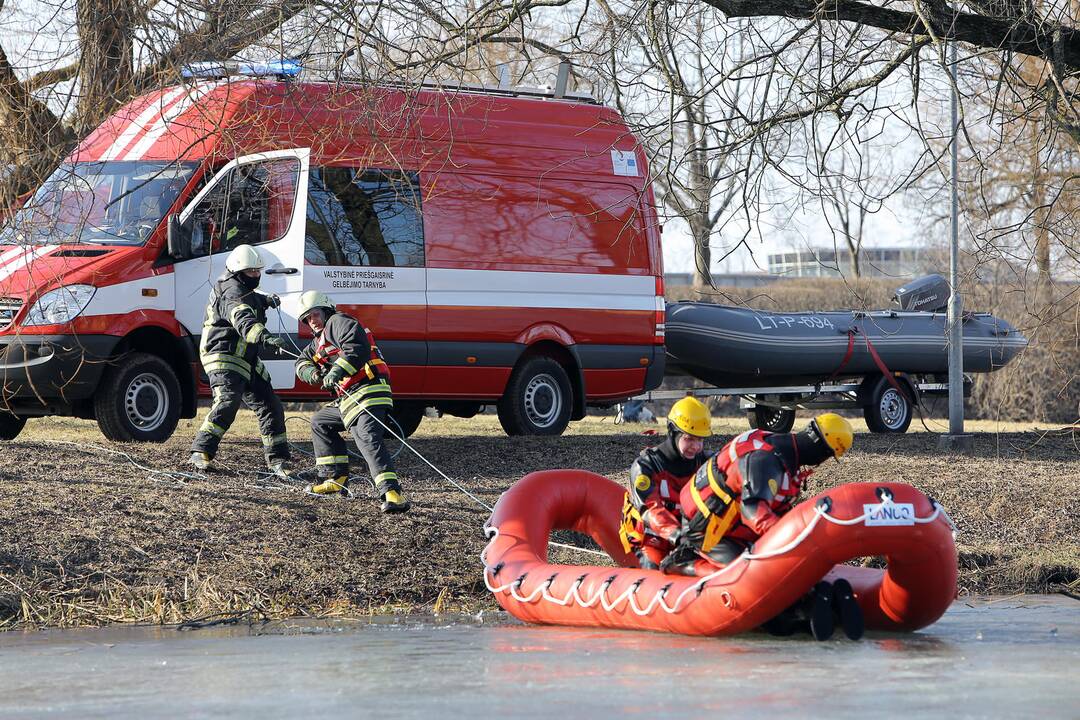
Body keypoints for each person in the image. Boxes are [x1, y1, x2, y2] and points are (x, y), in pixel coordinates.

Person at [662, 412, 862, 640]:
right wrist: (790, 542)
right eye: (827, 456)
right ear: (822, 451)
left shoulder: (786, 455)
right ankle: (681, 562)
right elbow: (753, 511)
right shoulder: (766, 460)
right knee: (745, 576)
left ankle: (810, 602)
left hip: (737, 528)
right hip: (708, 531)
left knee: (782, 568)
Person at [293, 290, 411, 514]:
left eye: (315, 314)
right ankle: (335, 478)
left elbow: (357, 348)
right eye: (307, 319)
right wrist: (312, 374)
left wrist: (335, 372)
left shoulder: (339, 322)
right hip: (349, 399)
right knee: (321, 422)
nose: (312, 321)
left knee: (366, 437)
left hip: (369, 390)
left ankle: (392, 493)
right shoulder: (318, 341)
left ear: (326, 311)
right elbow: (301, 362)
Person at [189, 244, 291, 475]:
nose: (256, 275)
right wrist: (264, 336)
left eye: (258, 271)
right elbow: (241, 316)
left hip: (245, 358)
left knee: (270, 404)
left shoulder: (242, 287)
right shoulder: (231, 291)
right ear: (238, 271)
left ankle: (278, 460)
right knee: (228, 401)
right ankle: (200, 451)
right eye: (251, 272)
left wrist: (265, 301)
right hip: (223, 354)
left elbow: (251, 298)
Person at [617, 396, 713, 569]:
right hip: (652, 538)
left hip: (691, 537)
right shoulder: (646, 465)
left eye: (700, 440)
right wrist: (678, 536)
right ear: (672, 431)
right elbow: (650, 510)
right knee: (653, 567)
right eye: (689, 438)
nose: (696, 446)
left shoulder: (707, 463)